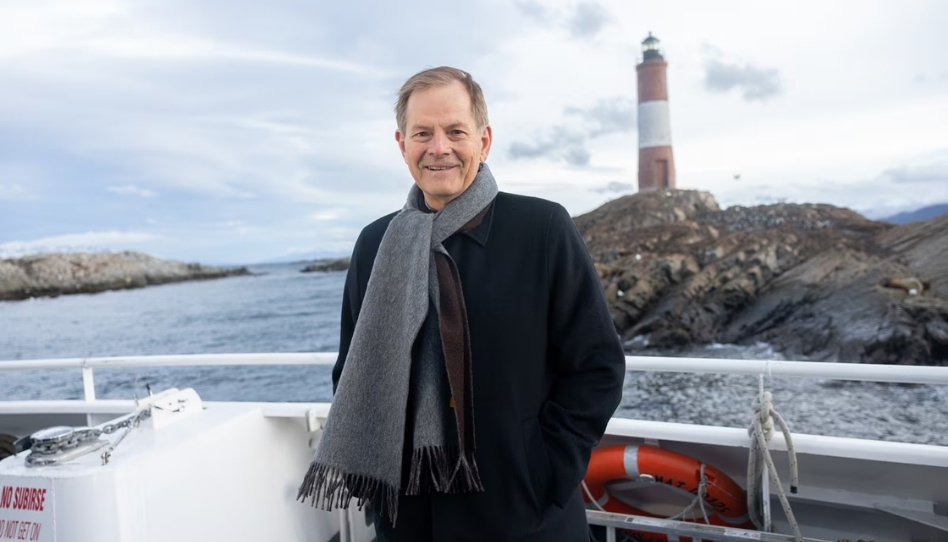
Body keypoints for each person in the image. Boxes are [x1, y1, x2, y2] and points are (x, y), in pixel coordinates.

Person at [298, 66, 625, 541]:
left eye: (455, 131)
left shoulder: (542, 228)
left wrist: (546, 470)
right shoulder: (374, 242)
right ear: (401, 144)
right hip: (407, 515)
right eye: (422, 133)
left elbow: (597, 366)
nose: (439, 148)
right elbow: (350, 368)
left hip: (523, 512)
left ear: (484, 140)